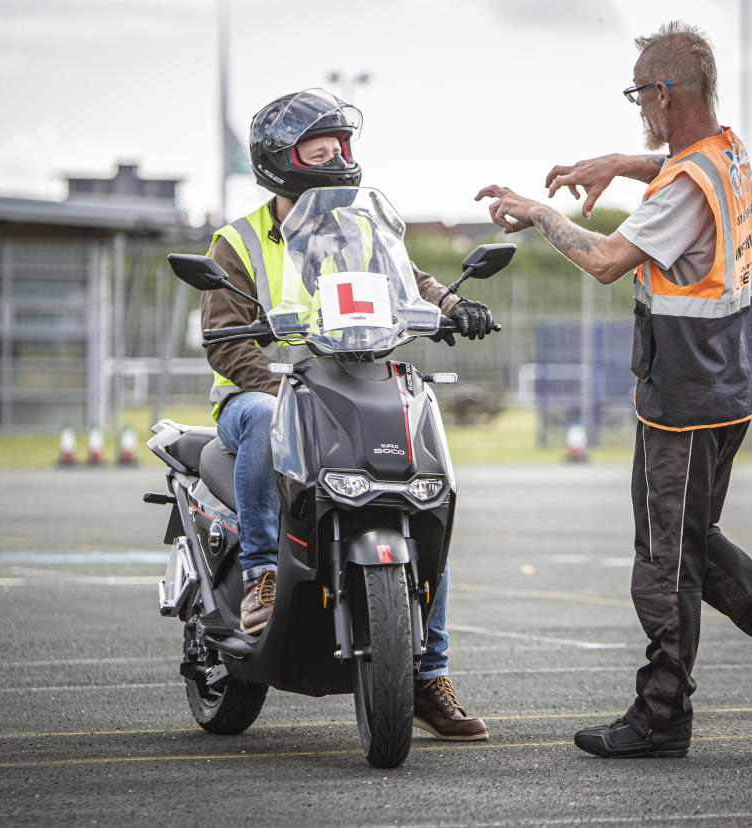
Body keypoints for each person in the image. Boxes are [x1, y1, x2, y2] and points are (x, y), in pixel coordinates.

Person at [475, 21, 752, 758]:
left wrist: (538, 212)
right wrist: (618, 161)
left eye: (641, 92)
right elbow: (677, 166)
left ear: (666, 94)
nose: (637, 104)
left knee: (662, 561)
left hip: (687, 394)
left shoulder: (682, 187)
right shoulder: (726, 154)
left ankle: (662, 714)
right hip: (730, 382)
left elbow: (606, 259)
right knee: (688, 541)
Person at [202, 88, 490, 740]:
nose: (336, 157)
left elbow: (411, 281)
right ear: (282, 159)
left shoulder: (362, 230)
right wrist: (283, 395)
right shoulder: (239, 241)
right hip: (267, 393)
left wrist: (453, 308)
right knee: (255, 416)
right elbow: (226, 341)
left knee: (421, 497)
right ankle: (261, 577)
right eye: (319, 148)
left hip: (351, 388)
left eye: (341, 146)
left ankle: (426, 671)